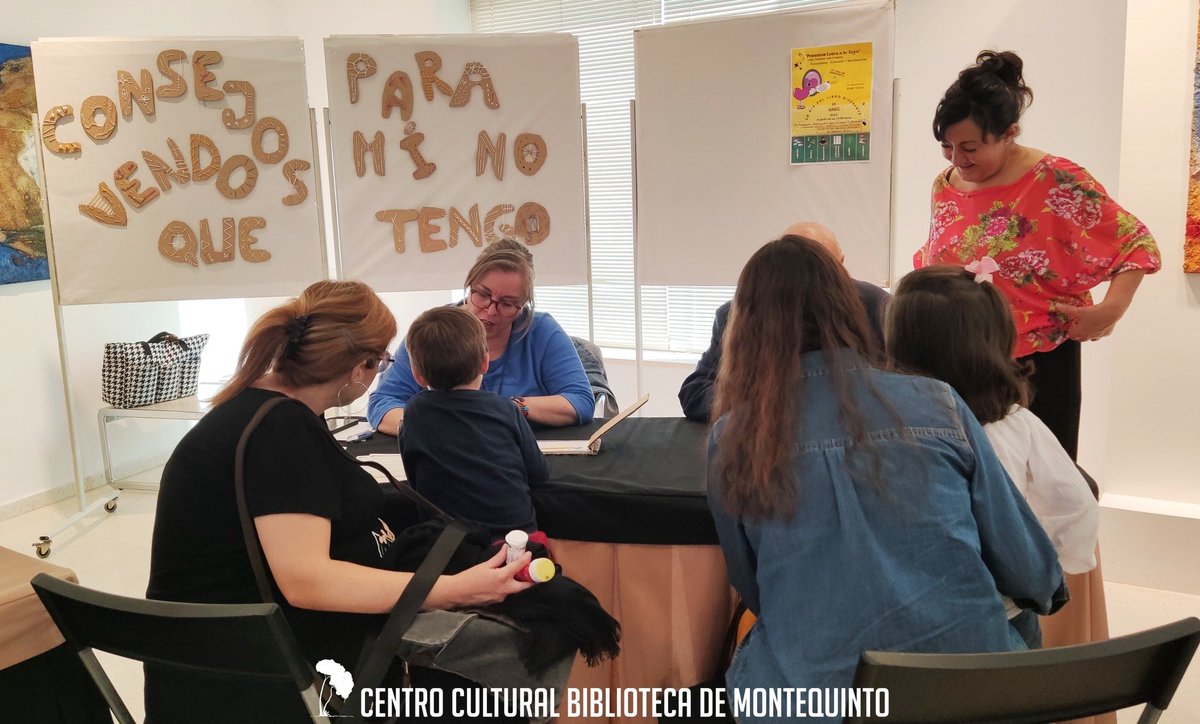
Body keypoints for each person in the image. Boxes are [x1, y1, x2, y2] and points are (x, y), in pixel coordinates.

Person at [145, 280, 533, 722]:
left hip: (221, 663)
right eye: (382, 361)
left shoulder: (258, 411)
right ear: (357, 368)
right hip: (259, 679)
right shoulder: (279, 432)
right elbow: (308, 580)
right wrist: (452, 590)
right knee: (512, 677)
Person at [707, 236, 1064, 714]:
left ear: (745, 326)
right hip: (966, 692)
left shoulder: (732, 435)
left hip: (810, 698)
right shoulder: (940, 403)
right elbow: (1028, 565)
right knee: (1017, 620)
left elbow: (754, 588)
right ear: (849, 306)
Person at [916, 49, 1161, 460]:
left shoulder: (1057, 180)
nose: (959, 159)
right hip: (961, 358)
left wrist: (1109, 311)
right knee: (970, 479)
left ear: (1009, 132)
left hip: (1039, 363)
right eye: (948, 146)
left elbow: (1134, 243)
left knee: (1045, 486)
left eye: (971, 147)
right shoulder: (946, 184)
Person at [887, 265, 1099, 649]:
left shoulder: (880, 426)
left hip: (900, 615)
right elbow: (1076, 504)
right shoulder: (1014, 424)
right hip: (998, 621)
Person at [369, 238, 594, 434]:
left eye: (507, 304)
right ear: (469, 286)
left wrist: (510, 408)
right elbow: (382, 403)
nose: (490, 310)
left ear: (523, 305)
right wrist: (435, 429)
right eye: (482, 295)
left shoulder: (542, 331)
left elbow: (580, 401)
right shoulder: (434, 330)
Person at [678, 221, 889, 422]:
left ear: (841, 265)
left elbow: (894, 377)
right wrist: (764, 403)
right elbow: (696, 391)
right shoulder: (740, 312)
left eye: (821, 270)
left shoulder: (875, 304)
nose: (808, 282)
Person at [399, 305, 548, 537]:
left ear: (417, 375)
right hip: (516, 543)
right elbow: (538, 473)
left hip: (445, 546)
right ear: (485, 363)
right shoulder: (505, 409)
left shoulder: (414, 412)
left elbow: (415, 480)